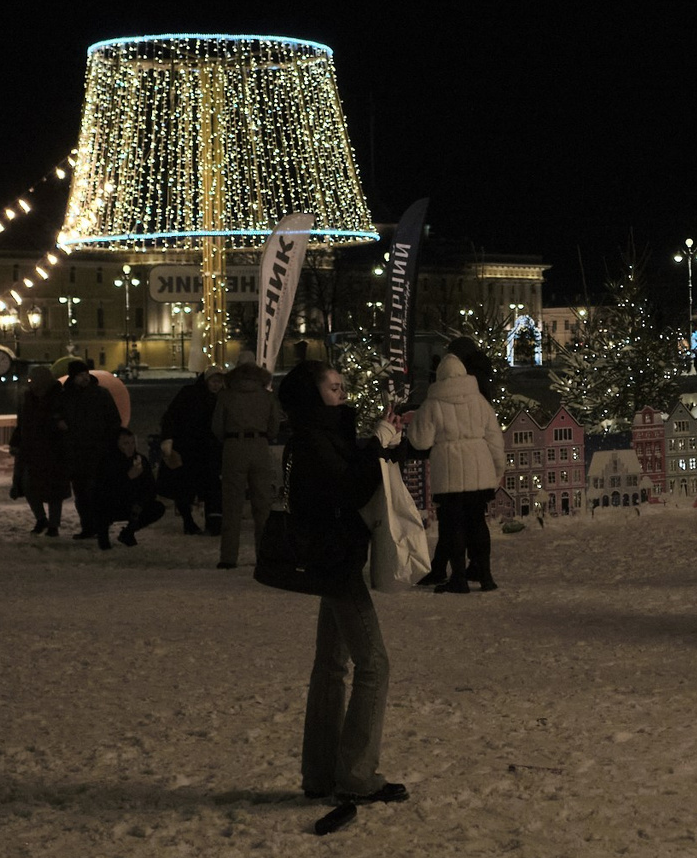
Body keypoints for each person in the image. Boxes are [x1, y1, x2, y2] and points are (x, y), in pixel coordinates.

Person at [280, 357, 410, 806]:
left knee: (331, 667)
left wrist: (379, 439)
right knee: (374, 665)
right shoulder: (313, 439)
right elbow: (350, 487)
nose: (342, 393)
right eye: (333, 388)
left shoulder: (321, 435)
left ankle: (320, 774)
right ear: (311, 396)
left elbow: (352, 464)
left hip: (333, 560)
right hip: (333, 561)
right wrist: (376, 444)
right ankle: (355, 774)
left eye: (342, 386)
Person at [402, 337, 508, 593]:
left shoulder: (432, 403)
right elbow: (494, 439)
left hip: (448, 475)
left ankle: (458, 579)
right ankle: (486, 577)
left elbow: (420, 440)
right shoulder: (480, 401)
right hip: (479, 471)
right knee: (478, 523)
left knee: (453, 526)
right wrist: (497, 470)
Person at [214, 349, 279, 570]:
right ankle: (265, 555)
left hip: (234, 447)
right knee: (263, 506)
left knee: (232, 504)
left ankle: (228, 557)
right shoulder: (267, 395)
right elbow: (274, 426)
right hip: (260, 446)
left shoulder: (226, 395)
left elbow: (217, 427)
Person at [58, 358, 123, 549]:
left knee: (96, 491)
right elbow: (58, 415)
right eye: (80, 375)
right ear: (73, 377)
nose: (84, 378)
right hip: (77, 452)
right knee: (81, 493)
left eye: (86, 374)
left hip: (98, 451)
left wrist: (111, 442)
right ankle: (88, 526)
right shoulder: (66, 396)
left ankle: (98, 525)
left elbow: (113, 420)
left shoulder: (101, 394)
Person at [159, 369, 224, 535]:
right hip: (188, 448)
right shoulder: (190, 394)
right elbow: (171, 416)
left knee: (211, 486)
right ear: (206, 381)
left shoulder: (222, 398)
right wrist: (169, 438)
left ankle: (213, 522)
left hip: (208, 450)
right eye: (214, 381)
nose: (216, 385)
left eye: (219, 382)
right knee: (186, 486)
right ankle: (189, 521)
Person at [14, 363, 69, 536]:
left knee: (54, 491)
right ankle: (41, 519)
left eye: (33, 380)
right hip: (32, 449)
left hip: (53, 450)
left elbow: (62, 422)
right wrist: (17, 441)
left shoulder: (58, 397)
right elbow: (22, 423)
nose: (30, 383)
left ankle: (53, 525)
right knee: (29, 486)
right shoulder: (28, 398)